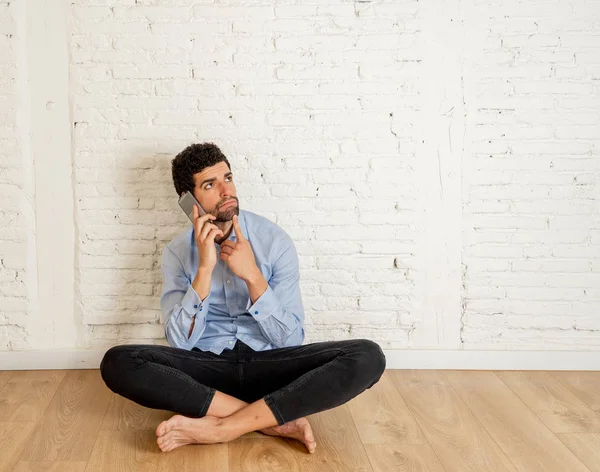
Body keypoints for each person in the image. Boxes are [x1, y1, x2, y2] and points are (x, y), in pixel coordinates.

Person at [99, 142, 386, 454]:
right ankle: (270, 419)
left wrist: (253, 277)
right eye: (210, 184)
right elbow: (179, 343)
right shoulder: (177, 253)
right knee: (118, 362)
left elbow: (291, 338)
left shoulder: (273, 241)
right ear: (188, 200)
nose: (226, 191)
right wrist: (205, 269)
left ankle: (224, 425)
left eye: (228, 178)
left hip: (271, 366)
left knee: (367, 356)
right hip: (208, 371)